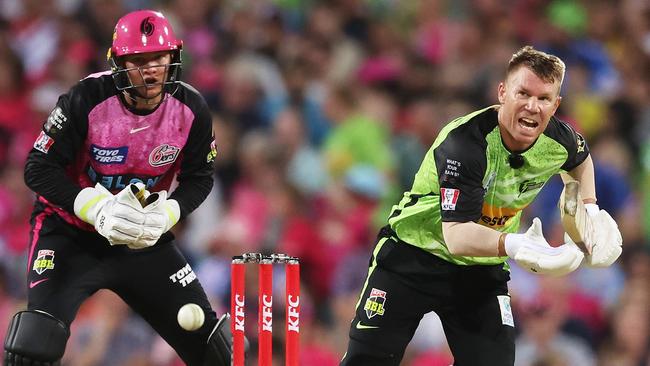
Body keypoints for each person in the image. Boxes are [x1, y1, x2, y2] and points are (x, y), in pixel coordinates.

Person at [340, 46, 622, 366]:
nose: (532, 106)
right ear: (503, 92)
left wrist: (591, 208)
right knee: (368, 360)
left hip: (480, 267)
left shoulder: (562, 140)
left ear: (555, 104)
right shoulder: (465, 143)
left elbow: (581, 162)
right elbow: (457, 236)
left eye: (544, 99)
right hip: (413, 254)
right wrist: (515, 244)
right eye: (523, 93)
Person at [3, 10, 231, 366]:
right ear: (117, 63)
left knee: (215, 351)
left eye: (159, 57)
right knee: (33, 346)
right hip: (69, 234)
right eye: (138, 60)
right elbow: (37, 167)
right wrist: (95, 208)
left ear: (174, 56)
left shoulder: (192, 108)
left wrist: (167, 213)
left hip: (140, 238)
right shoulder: (85, 98)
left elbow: (200, 177)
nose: (152, 69)